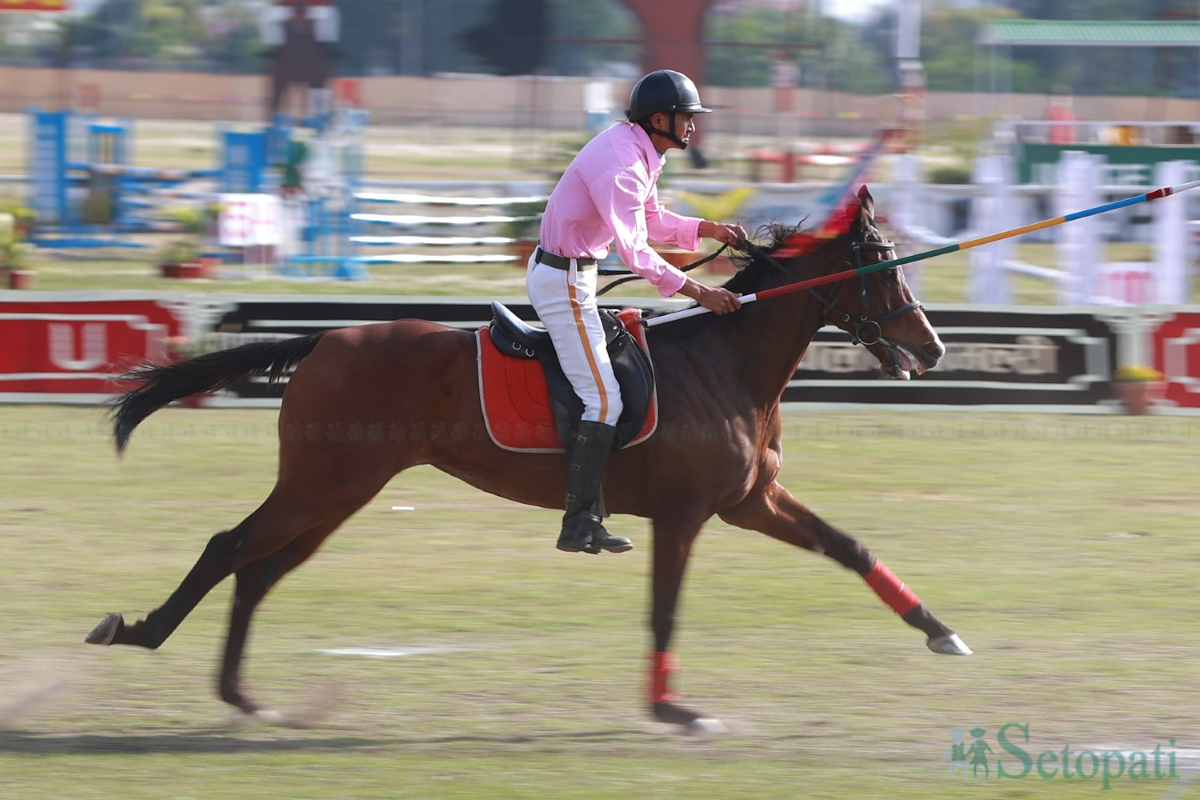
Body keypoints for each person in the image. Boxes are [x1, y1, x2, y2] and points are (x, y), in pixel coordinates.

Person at [527, 69, 747, 555]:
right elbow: (636, 252)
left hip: (572, 275)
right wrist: (698, 291)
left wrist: (708, 228)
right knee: (603, 400)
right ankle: (579, 522)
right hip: (564, 282)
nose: (693, 126)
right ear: (659, 118)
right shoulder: (623, 166)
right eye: (687, 118)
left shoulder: (637, 150)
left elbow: (651, 220)